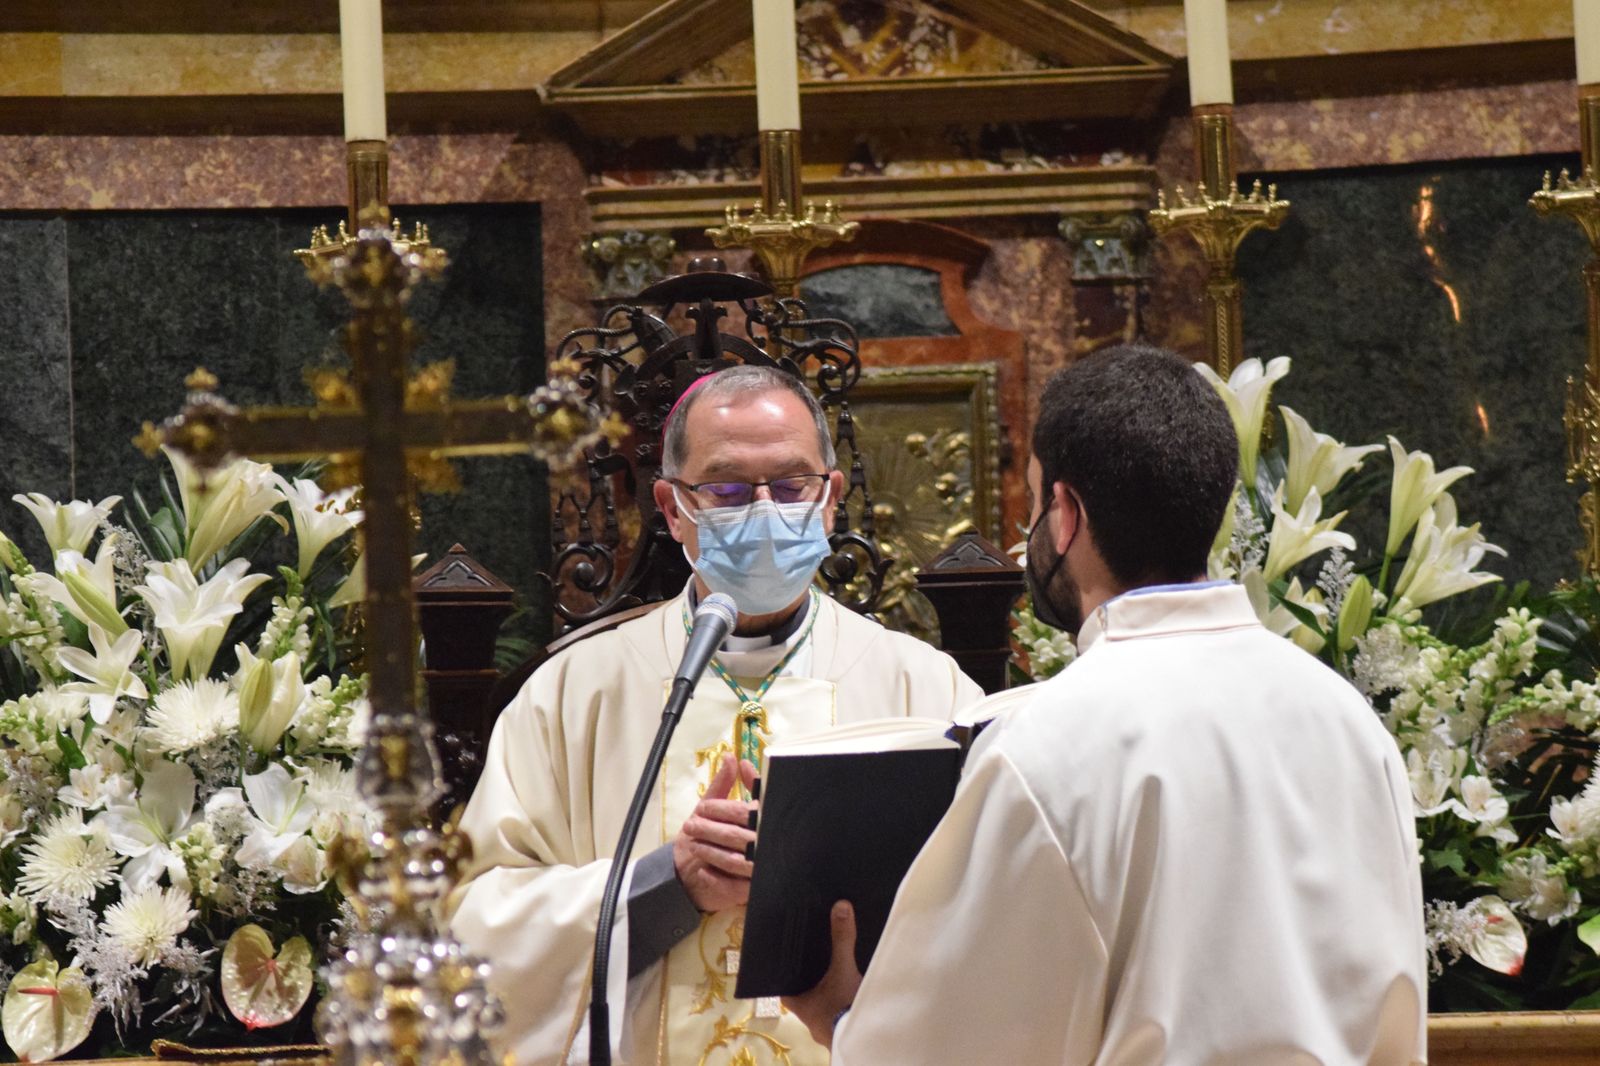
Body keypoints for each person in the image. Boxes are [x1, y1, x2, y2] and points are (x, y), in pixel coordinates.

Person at [784, 343, 1428, 1065]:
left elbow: (966, 1043)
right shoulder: (1343, 717)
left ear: (1065, 514)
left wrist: (843, 1023)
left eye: (1033, 501)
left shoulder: (1048, 744)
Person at [447, 364, 984, 1066]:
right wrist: (666, 884)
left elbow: (991, 908)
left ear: (831, 500)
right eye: (728, 491)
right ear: (672, 510)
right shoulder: (576, 693)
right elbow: (475, 930)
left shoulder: (926, 688)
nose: (764, 510)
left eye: (792, 487)